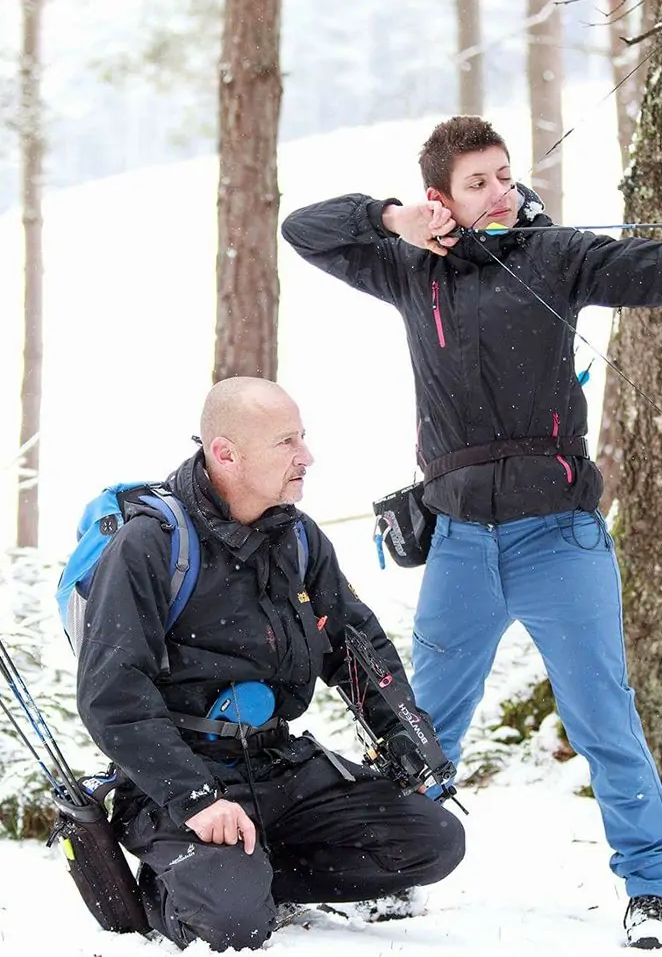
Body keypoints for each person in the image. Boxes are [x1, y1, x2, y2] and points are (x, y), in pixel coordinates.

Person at [280, 116, 662, 949]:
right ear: (441, 200)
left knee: (602, 717)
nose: (500, 191)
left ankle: (652, 887)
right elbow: (304, 228)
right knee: (422, 724)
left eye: (504, 174)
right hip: (460, 543)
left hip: (557, 539)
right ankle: (397, 873)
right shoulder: (407, 271)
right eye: (478, 182)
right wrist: (393, 219)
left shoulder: (556, 253)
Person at [75, 376, 465, 951]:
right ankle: (186, 886)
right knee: (232, 928)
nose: (307, 457)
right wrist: (196, 799)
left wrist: (407, 737)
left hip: (276, 759)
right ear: (226, 453)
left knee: (433, 840)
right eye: (287, 443)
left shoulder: (300, 539)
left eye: (302, 438)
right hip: (182, 776)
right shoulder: (151, 544)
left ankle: (246, 875)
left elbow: (355, 647)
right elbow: (112, 694)